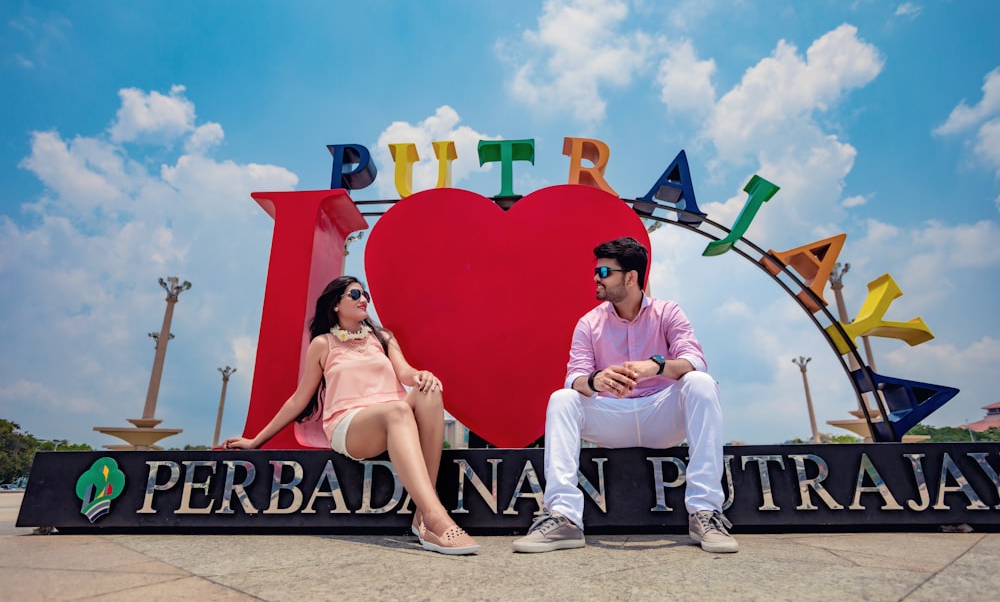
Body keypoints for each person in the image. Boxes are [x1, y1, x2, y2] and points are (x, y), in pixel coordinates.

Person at [512, 236, 738, 554]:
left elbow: (694, 360)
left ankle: (704, 513)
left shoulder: (668, 312)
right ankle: (563, 518)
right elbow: (575, 378)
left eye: (604, 272)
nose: (596, 278)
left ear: (630, 277)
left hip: (662, 415)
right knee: (561, 399)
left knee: (701, 382)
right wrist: (597, 380)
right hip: (611, 417)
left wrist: (654, 367)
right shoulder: (588, 323)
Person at [223, 275, 478, 556]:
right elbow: (299, 399)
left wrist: (422, 376)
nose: (363, 300)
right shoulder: (323, 344)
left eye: (365, 294)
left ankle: (424, 513)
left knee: (429, 393)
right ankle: (436, 516)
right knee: (398, 410)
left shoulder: (382, 337)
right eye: (355, 294)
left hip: (396, 416)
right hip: (350, 424)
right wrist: (255, 440)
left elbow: (405, 372)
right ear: (335, 304)